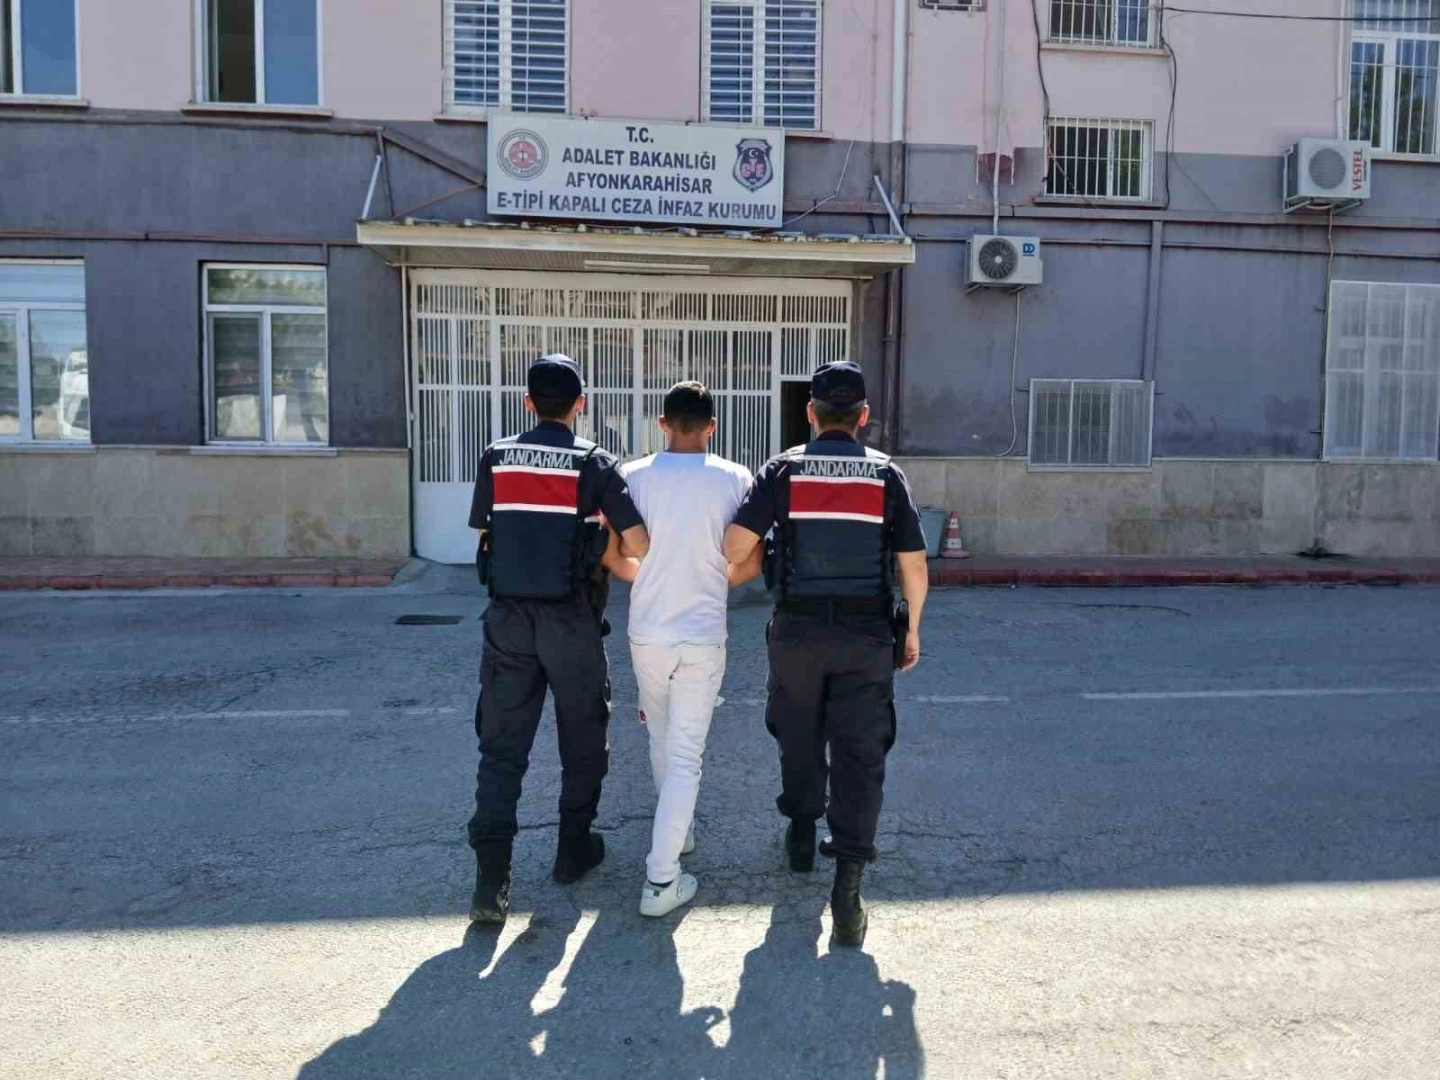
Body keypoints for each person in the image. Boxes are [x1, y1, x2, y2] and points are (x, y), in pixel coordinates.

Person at [722, 360, 929, 948]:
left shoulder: (784, 469)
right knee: (861, 754)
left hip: (798, 632)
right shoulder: (886, 475)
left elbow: (735, 545)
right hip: (866, 636)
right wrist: (911, 630)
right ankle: (848, 891)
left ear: (810, 413)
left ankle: (801, 830)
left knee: (798, 733)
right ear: (863, 416)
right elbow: (913, 565)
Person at [465, 354, 650, 924]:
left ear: (527, 403)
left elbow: (485, 531)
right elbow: (639, 542)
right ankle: (573, 851)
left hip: (509, 619)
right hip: (571, 620)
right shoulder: (595, 462)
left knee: (502, 747)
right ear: (580, 404)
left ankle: (491, 881)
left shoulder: (496, 456)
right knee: (583, 737)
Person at [606, 381, 762, 917]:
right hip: (701, 631)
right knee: (686, 755)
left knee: (659, 732)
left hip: (648, 629)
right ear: (712, 427)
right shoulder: (736, 478)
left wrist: (651, 578)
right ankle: (661, 878)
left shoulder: (631, 476)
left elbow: (614, 556)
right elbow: (750, 562)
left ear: (662, 423)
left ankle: (680, 830)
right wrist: (712, 582)